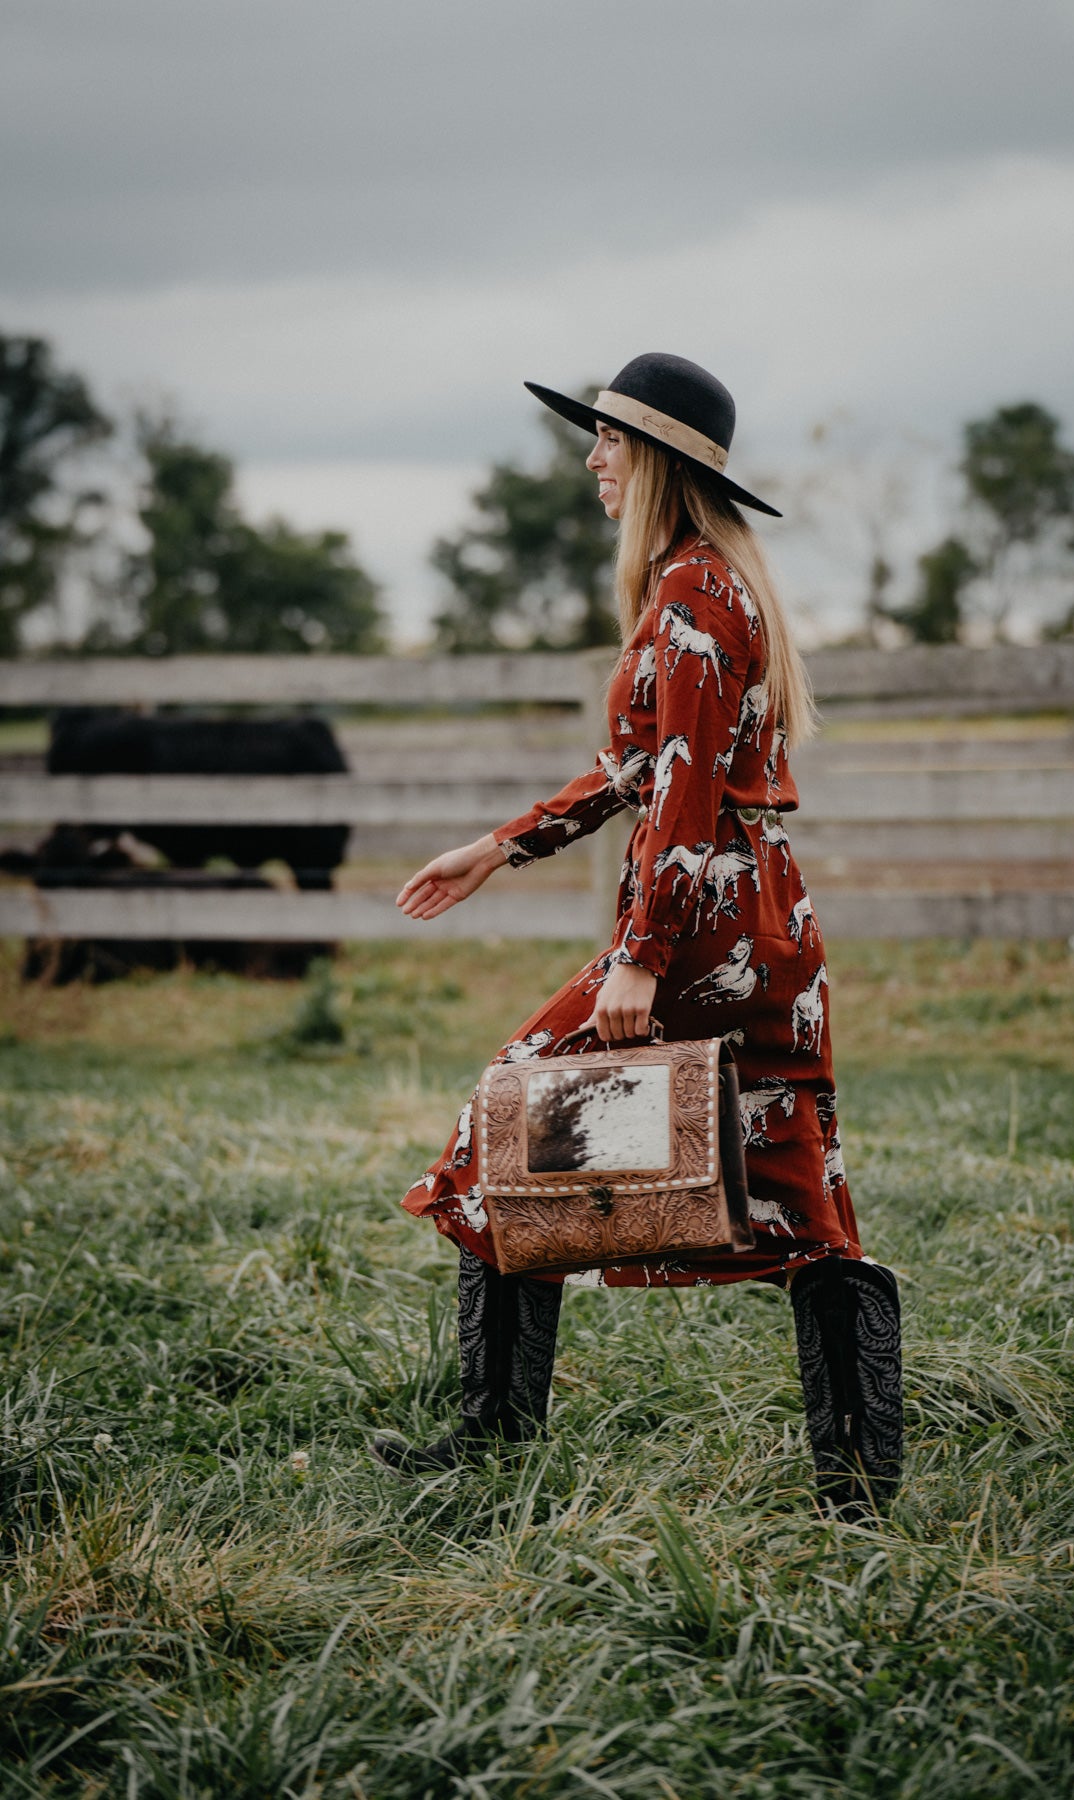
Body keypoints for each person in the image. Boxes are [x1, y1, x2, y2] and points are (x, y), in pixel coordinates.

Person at [372, 354, 901, 1516]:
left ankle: (494, 1442)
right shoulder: (702, 585)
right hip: (765, 915)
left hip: (709, 915)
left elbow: (690, 787)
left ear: (656, 458)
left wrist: (641, 956)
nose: (592, 460)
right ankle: (859, 1487)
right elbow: (643, 766)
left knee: (507, 1118)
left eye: (609, 440)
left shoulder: (696, 593)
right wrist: (499, 846)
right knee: (797, 1174)